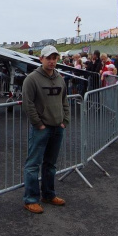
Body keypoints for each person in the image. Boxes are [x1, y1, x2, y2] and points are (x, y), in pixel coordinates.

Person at [21, 45, 70, 214]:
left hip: (58, 127)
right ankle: (30, 199)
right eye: (48, 58)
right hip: (41, 128)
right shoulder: (32, 79)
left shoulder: (59, 78)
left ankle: (48, 194)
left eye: (54, 58)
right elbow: (28, 103)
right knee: (33, 164)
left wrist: (65, 120)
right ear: (41, 59)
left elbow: (64, 100)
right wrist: (39, 124)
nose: (52, 61)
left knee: (50, 164)